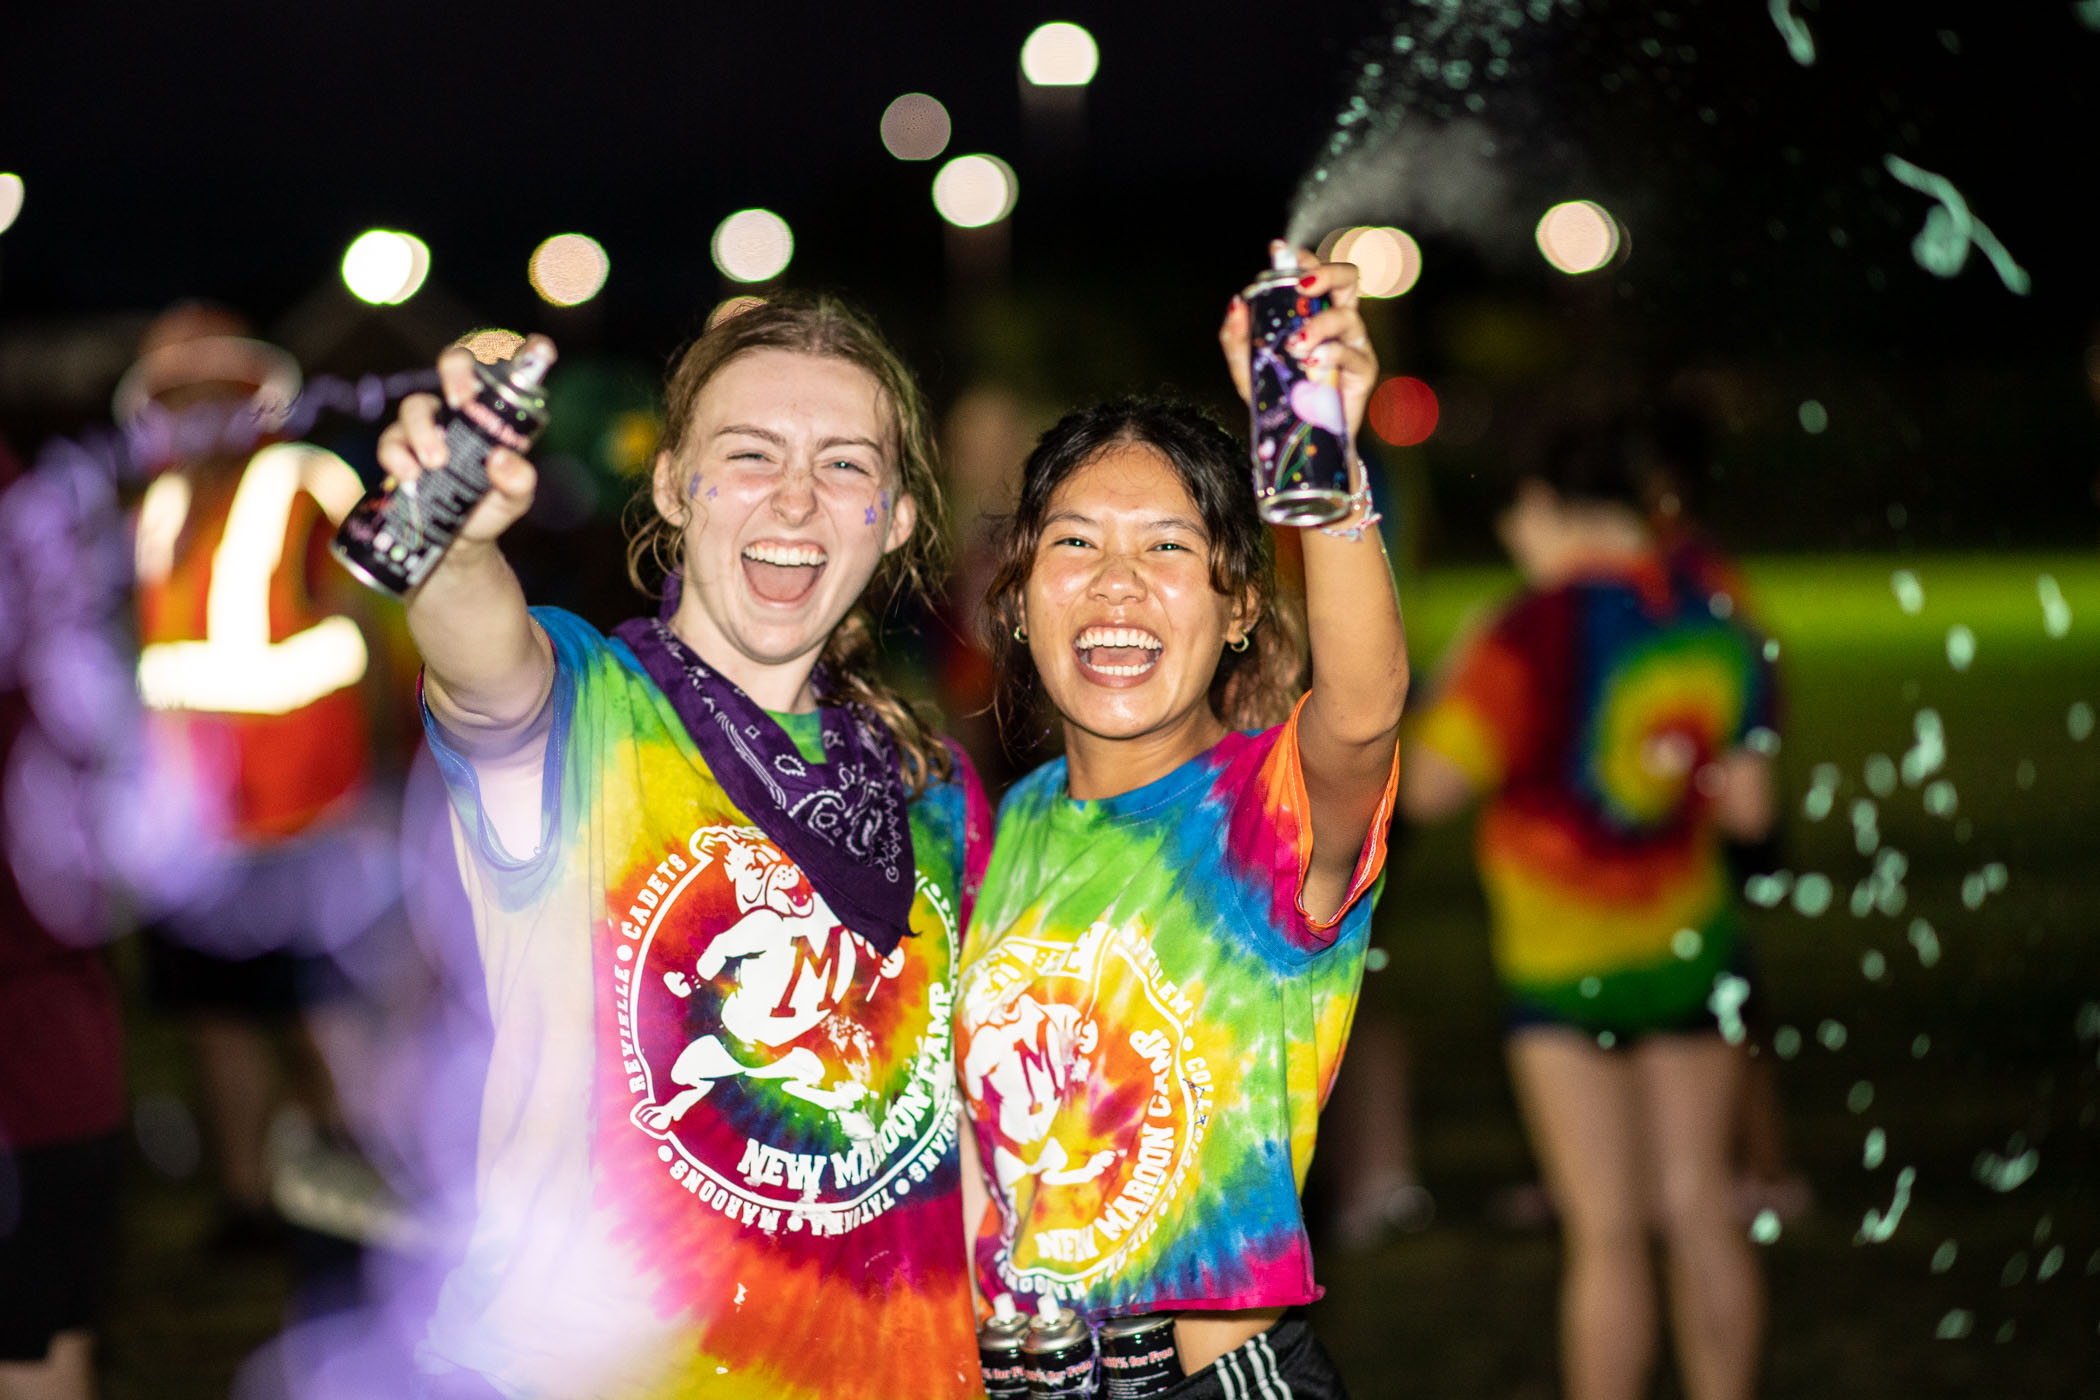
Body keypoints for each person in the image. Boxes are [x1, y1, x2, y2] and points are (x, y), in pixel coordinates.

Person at [378, 297, 990, 1399]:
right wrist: (457, 541)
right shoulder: (583, 712)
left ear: (895, 515)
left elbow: (966, 1129)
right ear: (672, 485)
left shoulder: (933, 788)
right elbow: (478, 658)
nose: (796, 497)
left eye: (845, 463)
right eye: (750, 453)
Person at [955, 244, 1407, 1394]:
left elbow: (1362, 709)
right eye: (1074, 543)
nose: (1116, 585)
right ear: (1017, 597)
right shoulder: (1006, 822)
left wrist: (1321, 445)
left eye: (1167, 545)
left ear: (1240, 602)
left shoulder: (1269, 811)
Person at [1400, 417, 1776, 1400]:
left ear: (1545, 507)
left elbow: (1428, 788)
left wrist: (1435, 690)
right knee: (1700, 1208)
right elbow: (1751, 809)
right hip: (1692, 944)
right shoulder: (1712, 609)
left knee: (1604, 1229)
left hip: (1558, 962)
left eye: (1516, 520)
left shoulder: (1524, 630)